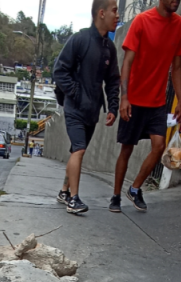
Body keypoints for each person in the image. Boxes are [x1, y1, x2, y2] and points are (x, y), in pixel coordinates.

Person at [110, 0, 181, 213]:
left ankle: (135, 189)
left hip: (158, 101)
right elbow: (127, 62)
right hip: (134, 99)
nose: (177, 1)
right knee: (127, 149)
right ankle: (115, 196)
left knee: (159, 146)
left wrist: (180, 99)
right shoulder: (142, 21)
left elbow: (177, 67)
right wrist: (124, 98)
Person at [52, 0, 121, 215]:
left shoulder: (109, 47)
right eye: (114, 10)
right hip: (74, 107)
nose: (117, 15)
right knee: (79, 149)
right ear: (101, 13)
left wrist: (113, 107)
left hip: (93, 110)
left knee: (76, 151)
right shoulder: (80, 39)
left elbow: (112, 81)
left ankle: (64, 191)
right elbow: (59, 71)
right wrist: (76, 94)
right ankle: (74, 199)